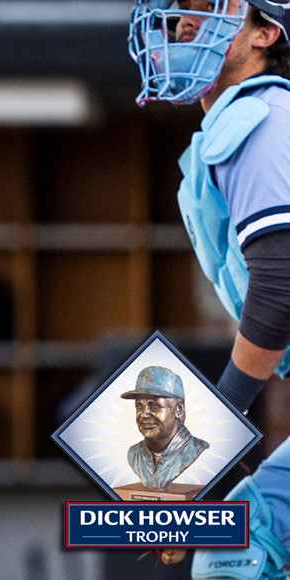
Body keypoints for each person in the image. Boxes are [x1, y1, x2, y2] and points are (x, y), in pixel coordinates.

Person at [130, 1, 290, 577]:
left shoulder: (262, 119)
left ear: (266, 33)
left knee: (237, 550)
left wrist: (203, 456)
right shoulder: (257, 115)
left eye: (212, 8)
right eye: (182, 11)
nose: (185, 23)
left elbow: (279, 292)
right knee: (235, 547)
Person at [122, 366, 209, 490]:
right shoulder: (134, 454)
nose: (144, 414)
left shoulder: (195, 449)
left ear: (179, 410)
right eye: (139, 406)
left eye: (155, 406)